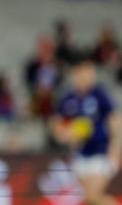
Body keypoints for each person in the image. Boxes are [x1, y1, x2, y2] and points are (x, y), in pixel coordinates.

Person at [49, 55, 121, 205]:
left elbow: (115, 122)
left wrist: (115, 149)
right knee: (88, 201)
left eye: (91, 71)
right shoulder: (68, 98)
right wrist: (65, 134)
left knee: (93, 196)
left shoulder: (99, 95)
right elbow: (56, 125)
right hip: (80, 156)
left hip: (100, 154)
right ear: (76, 73)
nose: (89, 75)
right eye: (85, 71)